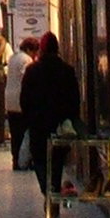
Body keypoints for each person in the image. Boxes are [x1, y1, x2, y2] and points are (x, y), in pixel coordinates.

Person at [20, 30, 83, 196]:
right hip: (60, 125)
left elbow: (24, 99)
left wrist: (28, 119)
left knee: (40, 160)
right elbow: (74, 99)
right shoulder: (67, 70)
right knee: (57, 161)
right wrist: (70, 119)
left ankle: (47, 191)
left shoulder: (32, 71)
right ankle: (54, 188)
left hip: (38, 125)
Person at [4, 34, 37, 170]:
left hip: (9, 99)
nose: (35, 55)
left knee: (15, 133)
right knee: (24, 133)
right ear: (29, 49)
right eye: (34, 51)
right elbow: (27, 79)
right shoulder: (26, 60)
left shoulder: (13, 57)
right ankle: (24, 160)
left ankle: (15, 160)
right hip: (20, 100)